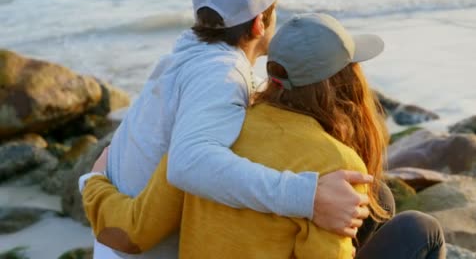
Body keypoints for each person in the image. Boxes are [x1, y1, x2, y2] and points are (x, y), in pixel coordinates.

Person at [80, 13, 447, 259]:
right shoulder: (333, 163)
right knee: (420, 229)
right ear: (344, 83)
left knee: (377, 196)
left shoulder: (209, 132)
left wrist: (94, 181)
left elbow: (136, 229)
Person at [87, 0, 372, 258]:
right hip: (138, 243)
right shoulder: (221, 73)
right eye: (276, 11)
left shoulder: (183, 59)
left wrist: (92, 182)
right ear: (260, 23)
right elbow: (189, 163)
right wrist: (308, 196)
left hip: (118, 234)